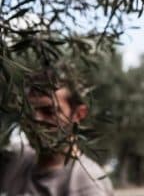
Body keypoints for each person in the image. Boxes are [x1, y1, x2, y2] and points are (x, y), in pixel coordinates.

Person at [0, 66, 114, 196]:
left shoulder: (86, 186)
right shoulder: (14, 161)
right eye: (28, 112)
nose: (36, 120)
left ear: (78, 114)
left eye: (49, 111)